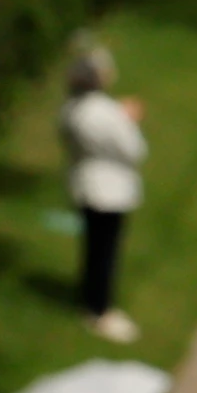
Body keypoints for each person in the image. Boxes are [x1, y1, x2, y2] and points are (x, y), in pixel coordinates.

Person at [61, 49, 145, 339]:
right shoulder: (104, 112)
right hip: (109, 191)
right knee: (105, 252)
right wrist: (129, 120)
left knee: (93, 249)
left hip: (85, 184)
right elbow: (135, 149)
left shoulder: (71, 110)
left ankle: (91, 303)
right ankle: (100, 310)